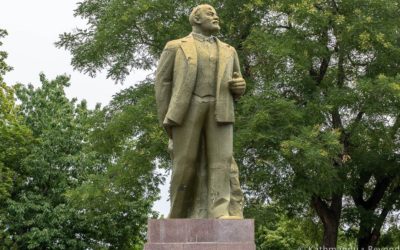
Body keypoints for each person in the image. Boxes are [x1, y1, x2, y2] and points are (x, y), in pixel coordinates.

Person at [155, 4, 246, 219]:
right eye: (210, 14)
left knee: (221, 162)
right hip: (187, 110)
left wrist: (240, 86)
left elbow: (238, 80)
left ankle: (220, 212)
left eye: (216, 14)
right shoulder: (176, 47)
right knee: (185, 163)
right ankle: (178, 213)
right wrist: (167, 120)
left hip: (220, 108)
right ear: (196, 19)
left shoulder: (229, 50)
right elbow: (162, 84)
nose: (216, 17)